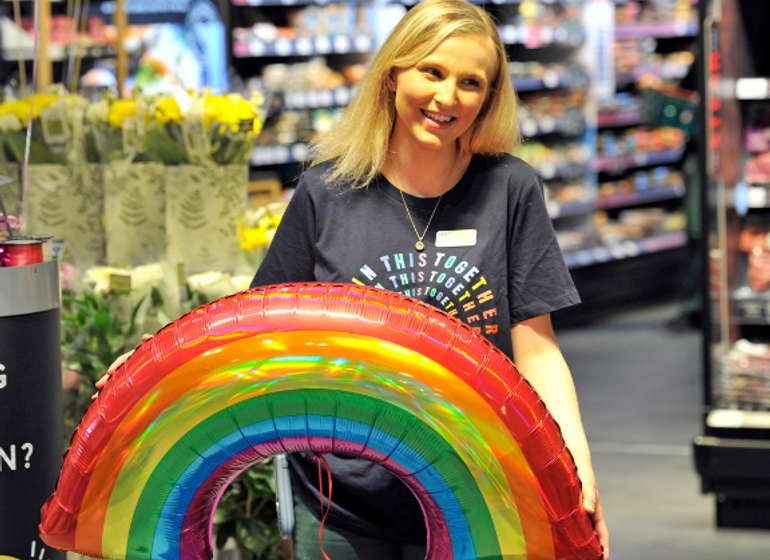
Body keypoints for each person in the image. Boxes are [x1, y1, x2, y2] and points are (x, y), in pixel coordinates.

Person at [98, 0, 609, 557]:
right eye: (432, 72)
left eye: (470, 82)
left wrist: (575, 460)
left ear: (489, 97)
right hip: (344, 501)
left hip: (481, 492)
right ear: (393, 75)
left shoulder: (511, 189)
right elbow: (252, 328)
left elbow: (536, 349)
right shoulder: (328, 192)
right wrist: (154, 364)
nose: (446, 97)